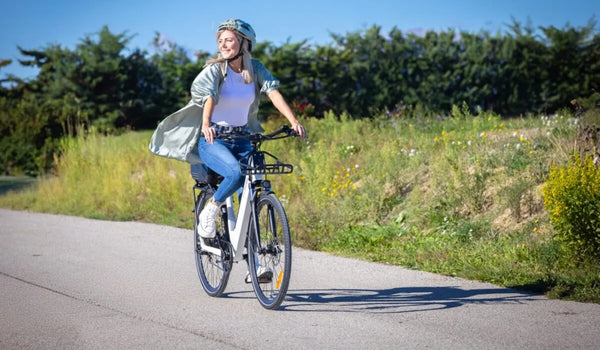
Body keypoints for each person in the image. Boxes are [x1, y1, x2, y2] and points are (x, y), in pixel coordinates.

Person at [149, 19, 306, 268]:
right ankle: (210, 211)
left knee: (251, 195)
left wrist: (294, 121)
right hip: (214, 139)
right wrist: (206, 124)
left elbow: (273, 93)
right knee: (235, 172)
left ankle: (256, 265)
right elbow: (209, 97)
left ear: (244, 43)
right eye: (220, 40)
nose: (223, 45)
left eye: (229, 40)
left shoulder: (255, 69)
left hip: (243, 138)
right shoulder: (215, 70)